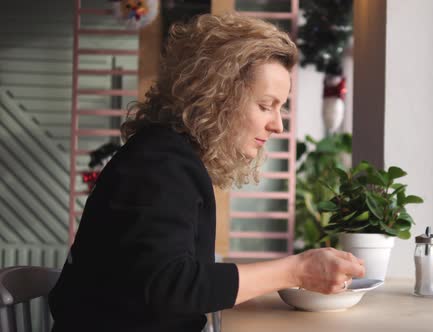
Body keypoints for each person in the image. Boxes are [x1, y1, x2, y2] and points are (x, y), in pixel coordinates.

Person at [49, 13, 365, 332]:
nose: (278, 125)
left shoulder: (168, 156)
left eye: (280, 107)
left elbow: (171, 279)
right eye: (266, 105)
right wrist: (297, 270)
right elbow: (170, 286)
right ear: (218, 96)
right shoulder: (160, 163)